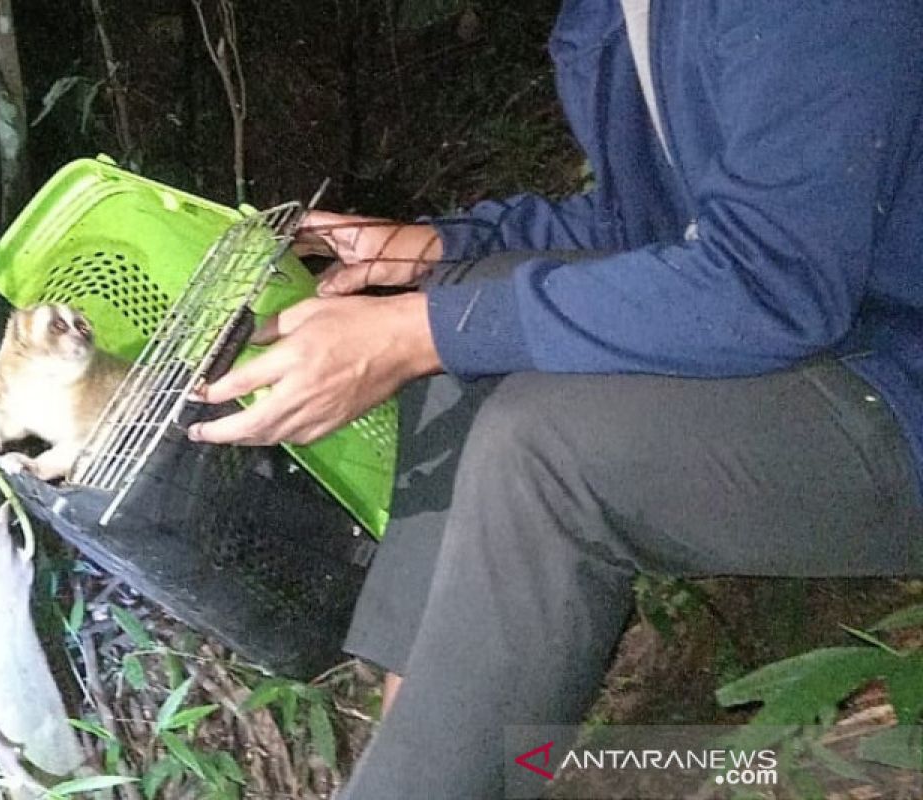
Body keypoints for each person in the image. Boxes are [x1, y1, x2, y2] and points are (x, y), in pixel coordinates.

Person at [189, 0, 923, 797]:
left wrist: (418, 332)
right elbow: (642, 218)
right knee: (468, 301)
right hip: (832, 340)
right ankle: (420, 743)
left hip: (897, 378)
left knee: (544, 447)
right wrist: (443, 249)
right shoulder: (610, 17)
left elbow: (771, 279)